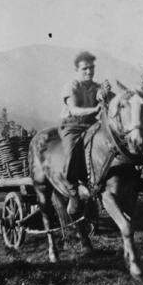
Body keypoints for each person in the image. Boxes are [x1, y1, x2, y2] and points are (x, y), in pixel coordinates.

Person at [59, 51, 112, 215]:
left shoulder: (96, 87)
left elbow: (111, 101)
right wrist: (95, 108)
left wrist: (108, 95)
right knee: (70, 155)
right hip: (72, 126)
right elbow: (74, 110)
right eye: (84, 69)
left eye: (91, 68)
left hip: (91, 125)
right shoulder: (72, 86)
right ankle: (72, 193)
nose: (89, 71)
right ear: (76, 70)